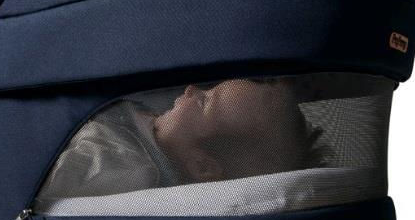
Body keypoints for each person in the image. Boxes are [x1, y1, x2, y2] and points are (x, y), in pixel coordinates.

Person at [37, 78, 323, 201]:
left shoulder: (126, 167)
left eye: (203, 101)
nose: (191, 89)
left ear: (202, 165)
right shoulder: (150, 127)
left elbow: (34, 172)